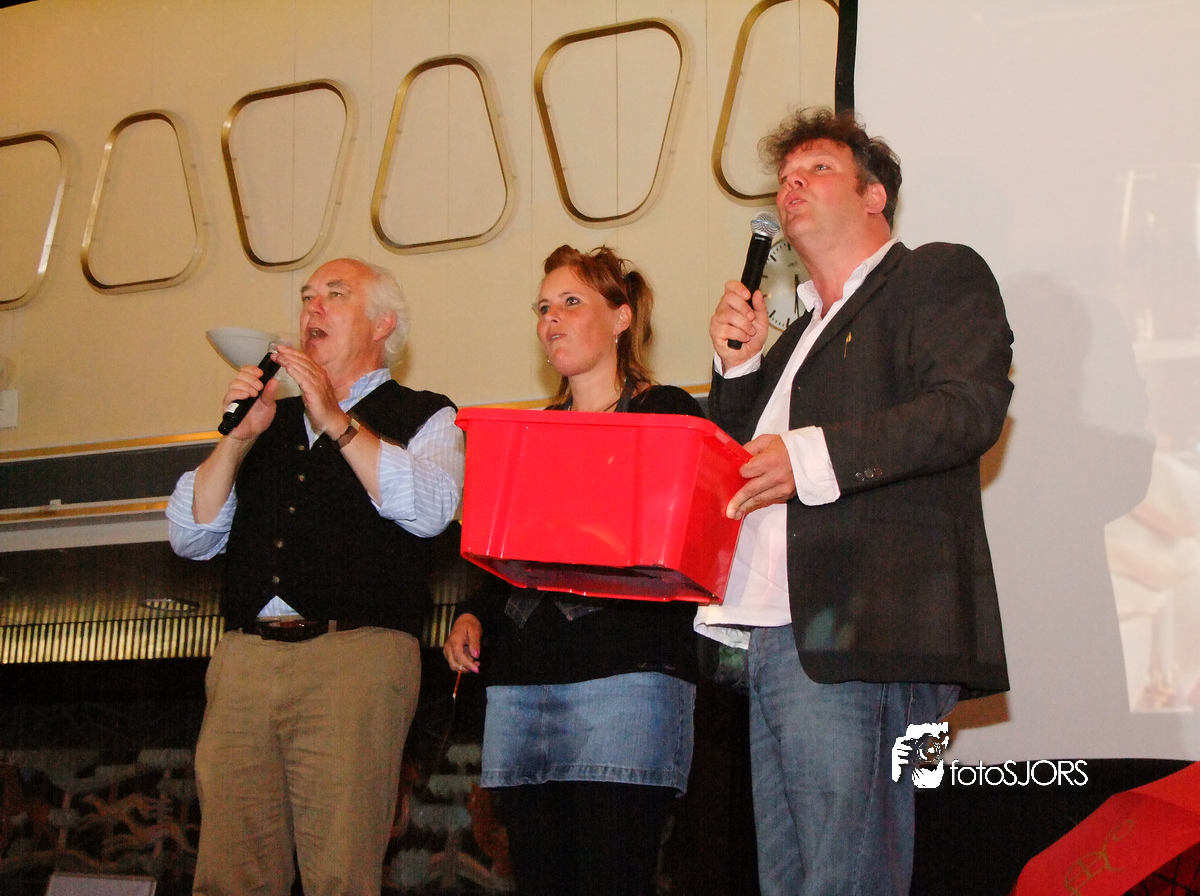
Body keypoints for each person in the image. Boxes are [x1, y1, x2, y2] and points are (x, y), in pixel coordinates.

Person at [697, 107, 1013, 895]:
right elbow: (738, 469)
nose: (793, 185)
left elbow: (967, 408)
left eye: (819, 170)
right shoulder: (799, 336)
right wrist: (739, 371)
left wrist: (809, 455)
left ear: (875, 196)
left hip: (866, 631)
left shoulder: (935, 275)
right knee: (794, 880)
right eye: (785, 177)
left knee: (849, 877)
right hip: (776, 635)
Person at [166, 257, 465, 896]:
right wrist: (238, 437)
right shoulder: (267, 419)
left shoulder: (426, 414)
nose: (312, 308)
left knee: (339, 875)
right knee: (228, 876)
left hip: (354, 657)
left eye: (335, 294)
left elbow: (434, 509)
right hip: (244, 661)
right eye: (306, 297)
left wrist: (337, 421)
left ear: (383, 324)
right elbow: (190, 536)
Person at [443, 244, 703, 896]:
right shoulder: (530, 434)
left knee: (614, 875)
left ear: (621, 317)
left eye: (569, 302)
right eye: (542, 308)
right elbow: (505, 549)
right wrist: (472, 611)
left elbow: (679, 536)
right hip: (523, 681)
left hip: (626, 676)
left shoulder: (667, 412)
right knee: (538, 876)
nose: (550, 319)